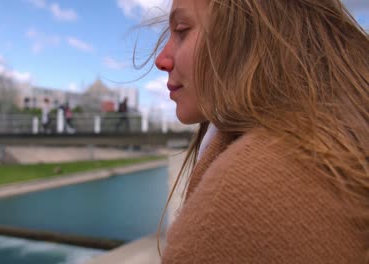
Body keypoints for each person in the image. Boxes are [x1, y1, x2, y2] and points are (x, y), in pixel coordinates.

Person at [151, 0, 368, 263]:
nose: (161, 60)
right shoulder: (340, 138)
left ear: (249, 33)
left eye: (182, 30)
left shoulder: (239, 198)